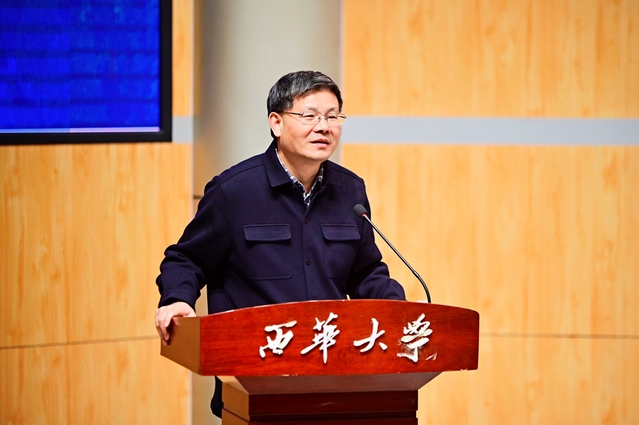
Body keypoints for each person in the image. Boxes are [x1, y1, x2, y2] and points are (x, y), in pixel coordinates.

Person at [154, 70, 405, 417]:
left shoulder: (351, 191)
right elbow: (186, 259)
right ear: (276, 123)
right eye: (310, 116)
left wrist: (400, 311)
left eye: (333, 117)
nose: (324, 127)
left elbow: (365, 272)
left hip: (335, 378)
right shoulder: (234, 191)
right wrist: (177, 299)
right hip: (255, 381)